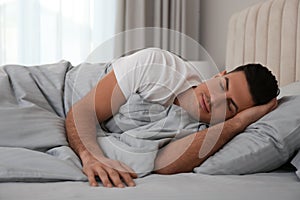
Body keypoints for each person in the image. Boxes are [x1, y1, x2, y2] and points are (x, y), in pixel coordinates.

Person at [65, 48, 279, 188]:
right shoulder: (159, 67)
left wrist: (239, 123)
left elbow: (164, 164)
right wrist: (90, 156)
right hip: (60, 89)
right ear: (218, 75)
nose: (215, 100)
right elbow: (84, 111)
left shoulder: (203, 131)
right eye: (223, 86)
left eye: (230, 106)